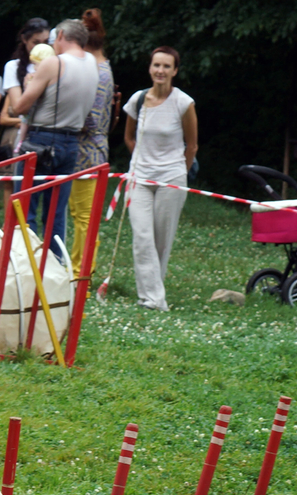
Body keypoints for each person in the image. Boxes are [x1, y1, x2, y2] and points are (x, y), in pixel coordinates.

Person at [12, 18, 97, 253]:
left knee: (26, 207)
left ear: (60, 36)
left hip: (41, 141)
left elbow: (20, 107)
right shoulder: (92, 63)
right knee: (56, 215)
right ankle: (54, 268)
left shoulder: (54, 63)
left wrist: (30, 82)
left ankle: (23, 261)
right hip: (71, 143)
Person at [120, 45, 195, 311]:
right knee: (142, 237)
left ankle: (153, 292)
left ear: (174, 71)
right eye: (156, 65)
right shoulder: (137, 100)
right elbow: (129, 137)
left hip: (172, 177)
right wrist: (142, 161)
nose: (160, 71)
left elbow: (192, 146)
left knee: (161, 240)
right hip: (139, 177)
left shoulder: (183, 103)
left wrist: (178, 172)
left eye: (166, 66)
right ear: (150, 68)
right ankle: (152, 300)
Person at [68, 9, 112, 265]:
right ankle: (77, 269)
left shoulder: (99, 73)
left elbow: (90, 119)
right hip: (84, 154)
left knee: (85, 218)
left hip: (89, 153)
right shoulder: (98, 68)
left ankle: (80, 273)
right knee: (79, 214)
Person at [0, 18, 48, 158]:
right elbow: (17, 106)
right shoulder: (13, 66)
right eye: (36, 43)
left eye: (45, 43)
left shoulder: (58, 64)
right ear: (25, 40)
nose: (41, 48)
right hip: (27, 133)